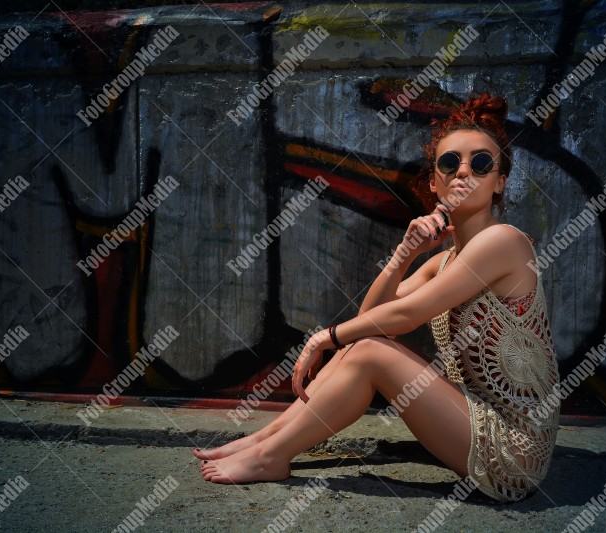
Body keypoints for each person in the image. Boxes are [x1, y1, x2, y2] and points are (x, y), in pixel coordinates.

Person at [195, 93, 560, 503]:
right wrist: (404, 255)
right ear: (435, 182)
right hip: (470, 415)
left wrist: (322, 337)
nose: (463, 172)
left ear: (500, 182)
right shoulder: (442, 263)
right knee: (364, 346)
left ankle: (269, 457)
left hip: (514, 450)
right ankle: (265, 440)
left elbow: (405, 315)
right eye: (449, 163)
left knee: (368, 351)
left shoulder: (503, 242)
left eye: (480, 163)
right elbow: (373, 321)